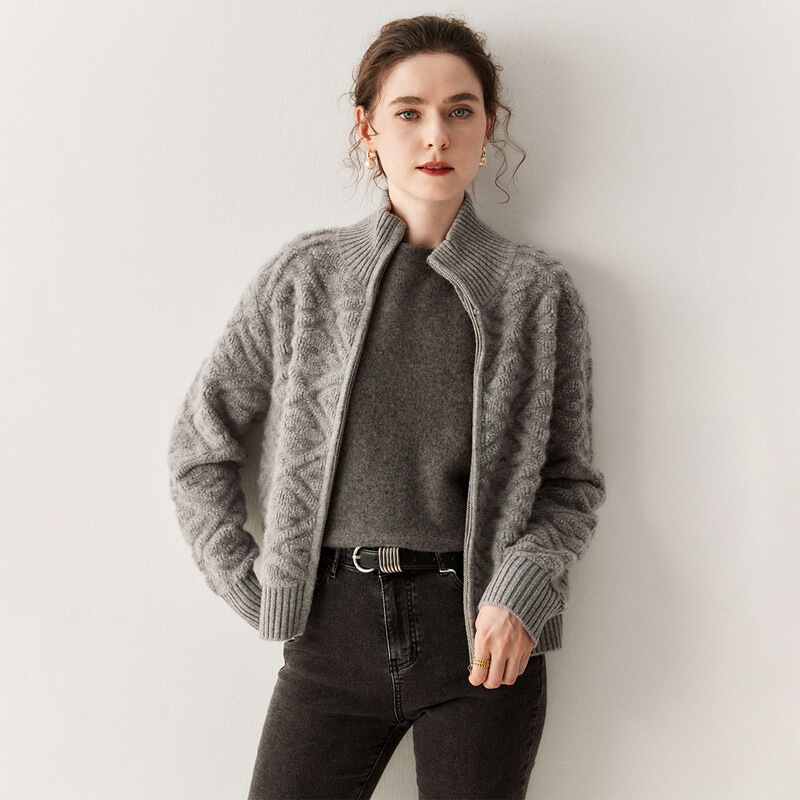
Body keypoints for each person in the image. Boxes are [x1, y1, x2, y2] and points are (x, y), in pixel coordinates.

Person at [167, 14, 605, 800]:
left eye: (460, 110)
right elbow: (199, 447)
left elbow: (570, 484)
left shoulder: (536, 294)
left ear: (488, 128)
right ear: (367, 129)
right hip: (328, 642)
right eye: (409, 112)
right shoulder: (304, 279)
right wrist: (250, 584)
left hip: (480, 645)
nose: (436, 134)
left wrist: (523, 587)